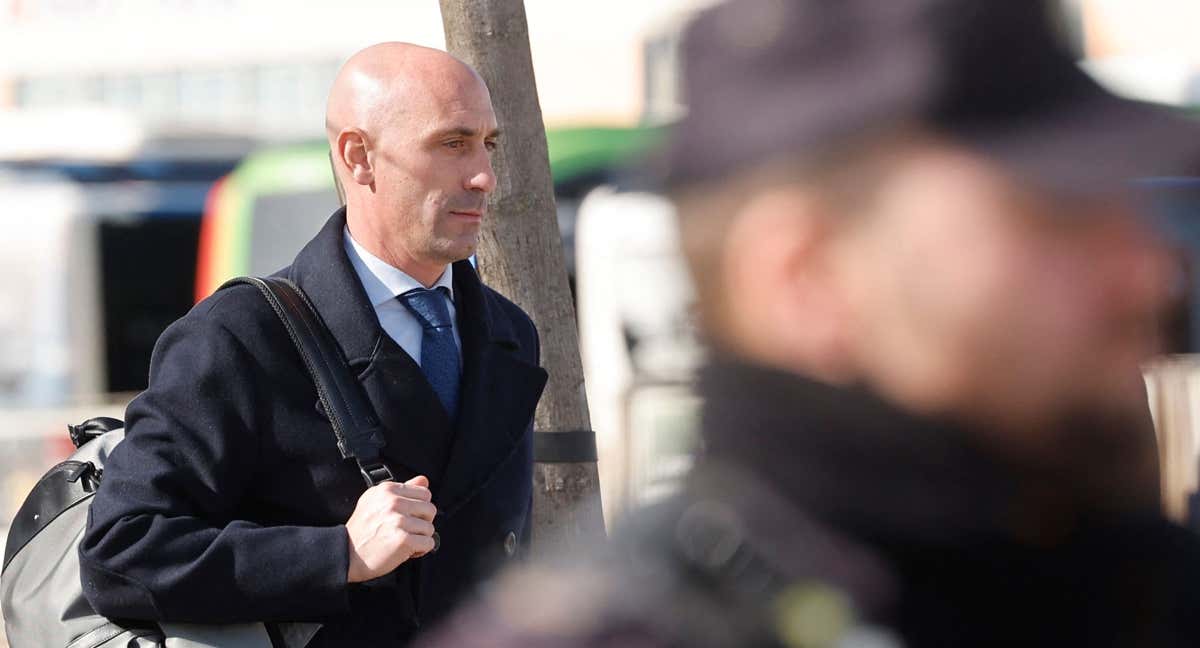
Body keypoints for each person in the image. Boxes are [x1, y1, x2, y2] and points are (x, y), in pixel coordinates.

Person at [419, 1, 1200, 646]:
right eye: (1056, 220)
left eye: (1128, 211)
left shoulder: (1136, 588)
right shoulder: (621, 631)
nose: (1148, 274)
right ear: (808, 280)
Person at [79, 42, 548, 645]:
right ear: (360, 157)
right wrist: (338, 555)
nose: (483, 174)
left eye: (489, 143)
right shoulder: (239, 336)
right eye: (452, 144)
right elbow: (122, 550)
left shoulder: (509, 334)